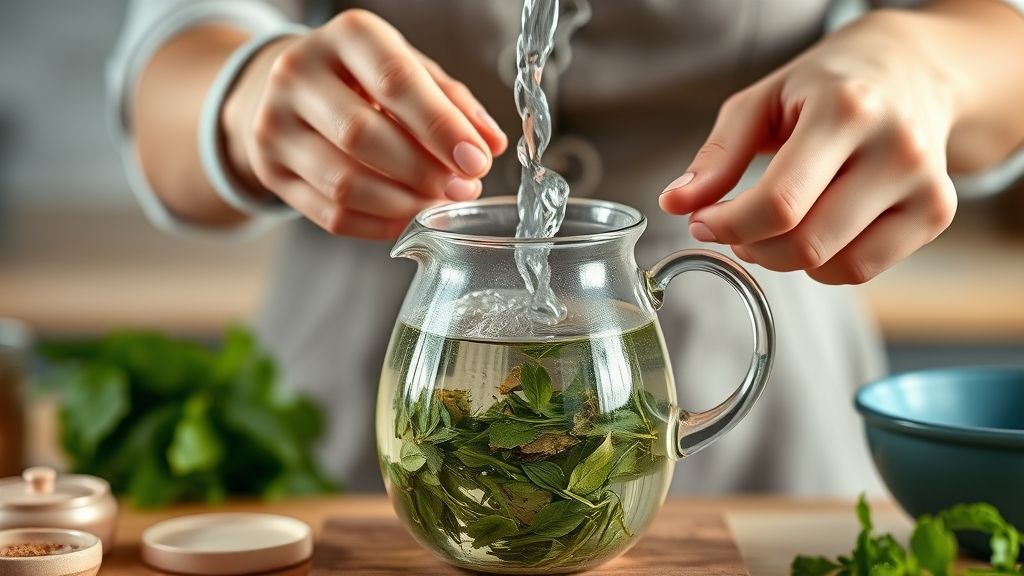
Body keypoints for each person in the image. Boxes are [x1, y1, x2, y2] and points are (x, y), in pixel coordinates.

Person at [107, 0, 1024, 494]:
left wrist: (918, 63)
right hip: (351, 405)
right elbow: (169, 58)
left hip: (768, 419)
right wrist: (245, 95)